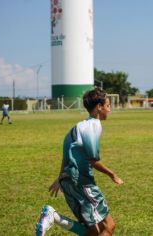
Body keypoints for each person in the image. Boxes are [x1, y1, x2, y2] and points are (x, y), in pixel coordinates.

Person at [36, 88, 123, 236]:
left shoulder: (78, 126)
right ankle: (52, 216)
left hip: (69, 181)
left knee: (93, 232)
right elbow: (94, 160)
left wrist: (60, 177)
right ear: (99, 107)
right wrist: (112, 174)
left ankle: (54, 216)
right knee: (109, 226)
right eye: (108, 105)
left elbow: (66, 154)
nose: (110, 109)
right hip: (82, 182)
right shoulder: (93, 126)